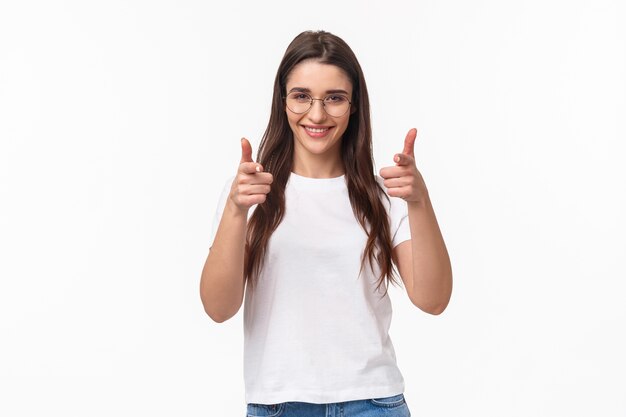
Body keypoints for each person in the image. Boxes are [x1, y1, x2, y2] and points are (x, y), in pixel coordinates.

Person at [200, 30, 452, 417]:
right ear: (282, 102)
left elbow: (433, 300)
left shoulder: (386, 195)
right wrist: (236, 210)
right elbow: (218, 308)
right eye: (302, 96)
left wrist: (419, 201)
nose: (317, 114)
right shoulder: (250, 193)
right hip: (279, 404)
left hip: (373, 403)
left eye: (334, 98)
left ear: (353, 106)